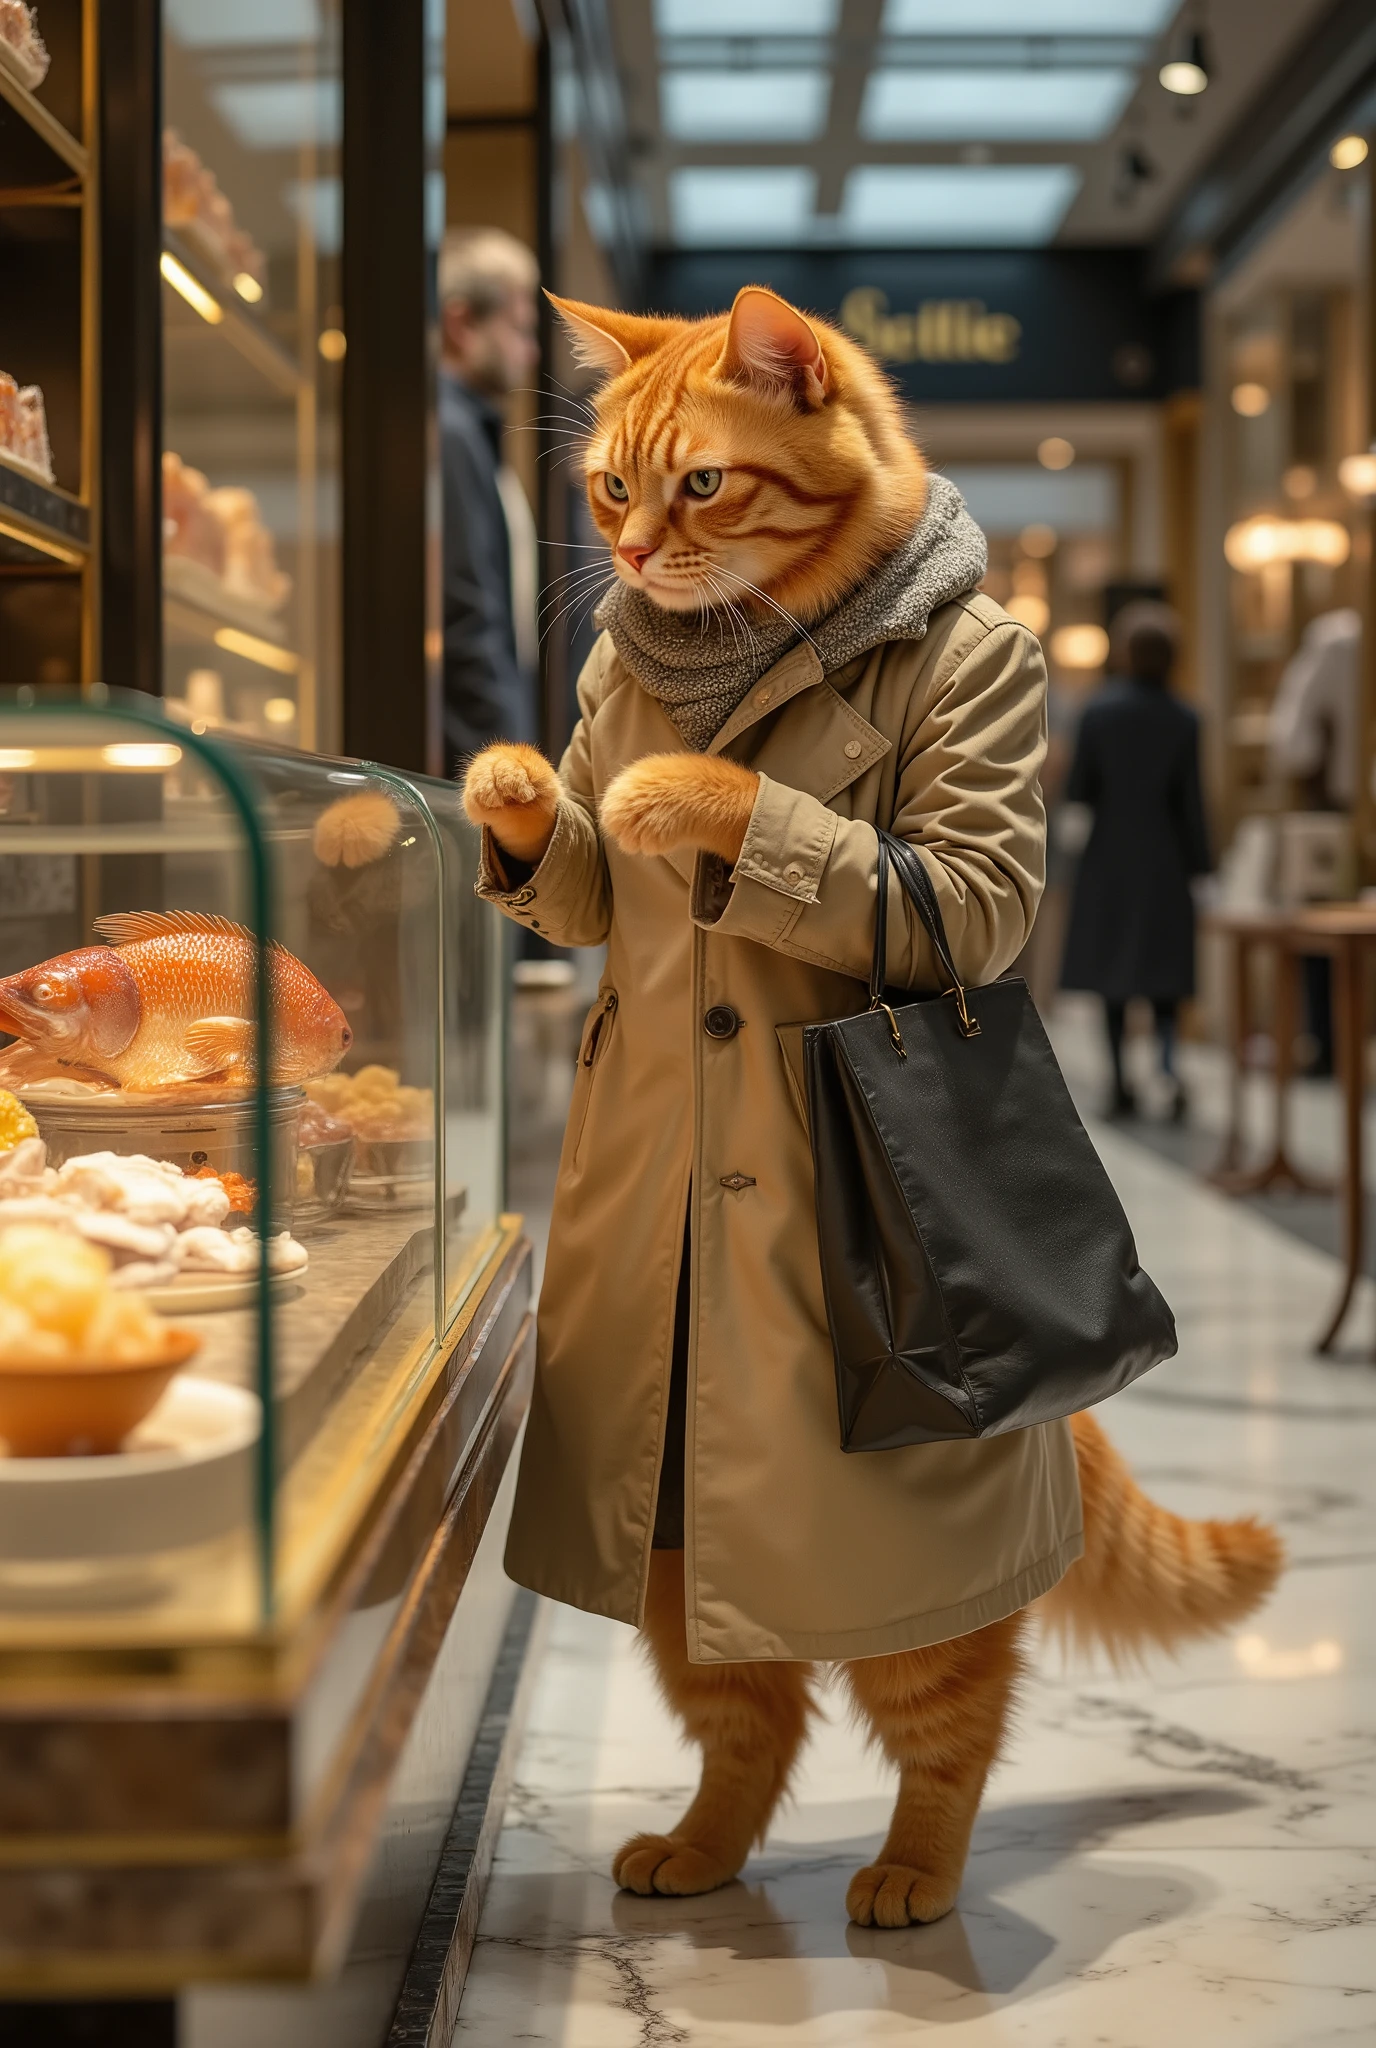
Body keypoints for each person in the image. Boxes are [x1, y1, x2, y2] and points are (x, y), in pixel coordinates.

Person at [459, 290, 1276, 1931]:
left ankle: (937, 1802)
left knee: (908, 1563)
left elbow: (973, 910)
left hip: (859, 1193)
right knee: (677, 1542)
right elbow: (608, 898)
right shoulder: (633, 655)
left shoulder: (965, 650)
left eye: (692, 490)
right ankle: (727, 1787)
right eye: (613, 493)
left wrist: (747, 823)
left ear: (813, 406)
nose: (636, 541)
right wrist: (536, 843)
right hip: (657, 1185)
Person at [1060, 601, 1211, 1120]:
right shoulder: (1185, 716)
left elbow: (1080, 792)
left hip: (1109, 859)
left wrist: (1068, 857)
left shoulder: (1097, 712)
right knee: (1165, 975)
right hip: (1165, 861)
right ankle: (1168, 1069)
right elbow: (1191, 803)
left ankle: (1120, 1082)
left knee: (1113, 978)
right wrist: (1203, 870)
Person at [438, 227, 541, 773]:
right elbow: (467, 619)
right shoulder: (451, 433)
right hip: (476, 769)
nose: (531, 349)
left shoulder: (468, 431)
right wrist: (509, 767)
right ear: (461, 324)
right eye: (519, 328)